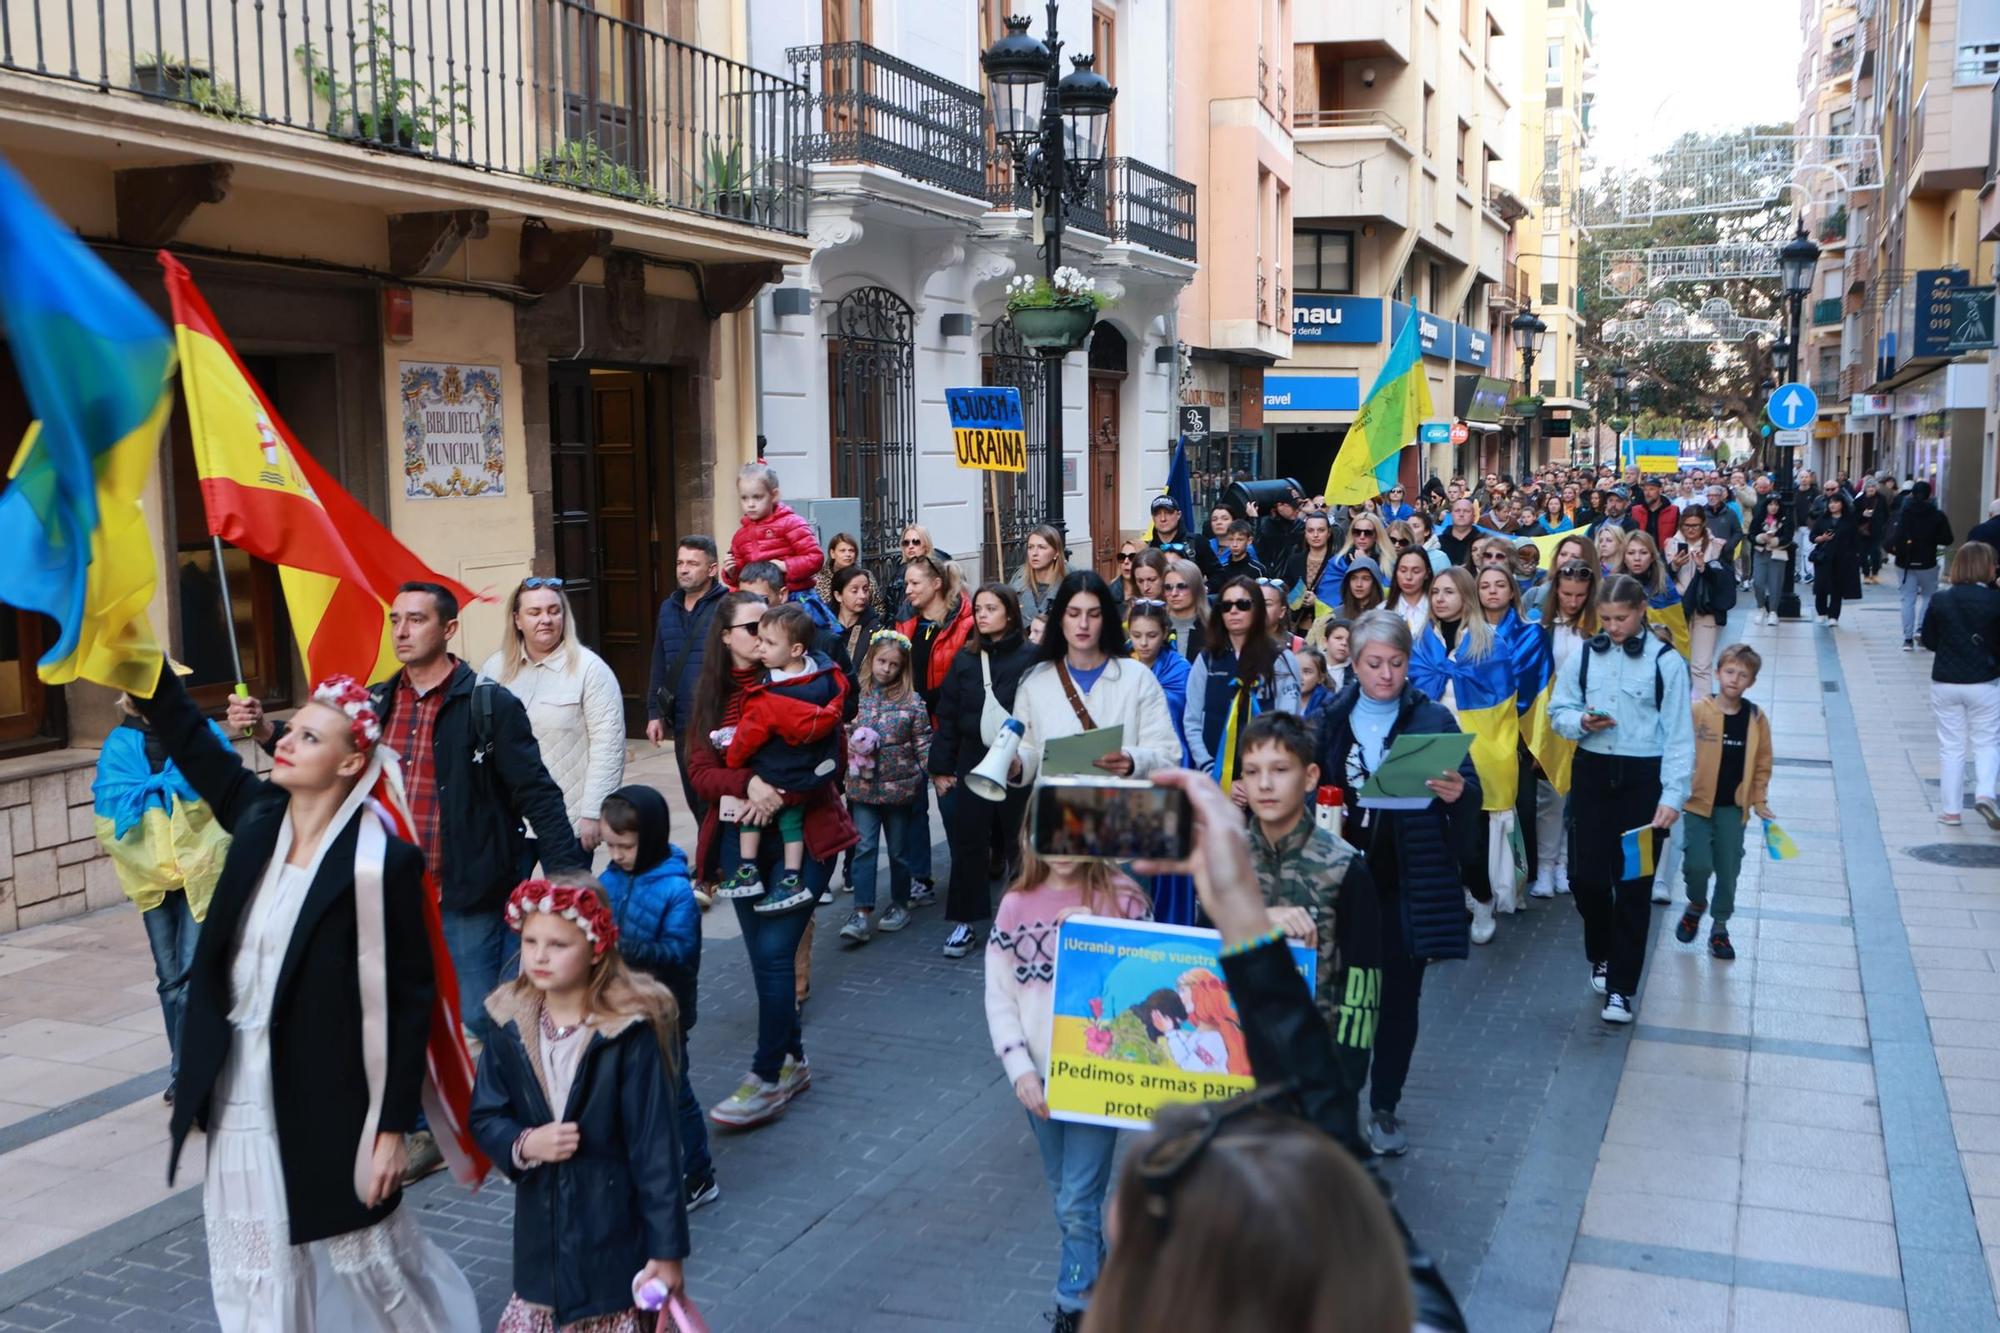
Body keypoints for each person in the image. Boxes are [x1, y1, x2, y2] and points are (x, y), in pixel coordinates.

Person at [139, 660, 481, 1331]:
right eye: (290, 730)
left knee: (367, 1266)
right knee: (255, 1259)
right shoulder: (261, 818)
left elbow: (407, 1003)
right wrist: (149, 675)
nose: (288, 740)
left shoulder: (380, 861)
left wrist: (390, 1129)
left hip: (326, 1099)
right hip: (237, 1087)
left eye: (311, 736)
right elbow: (194, 744)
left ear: (353, 763)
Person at [229, 584, 586, 1050]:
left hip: (465, 896)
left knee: (478, 1016)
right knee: (394, 1013)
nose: (401, 631)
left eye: (416, 620)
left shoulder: (488, 705)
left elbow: (538, 796)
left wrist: (570, 882)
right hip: (387, 892)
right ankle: (412, 1117)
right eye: (395, 620)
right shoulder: (374, 705)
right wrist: (262, 728)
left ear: (449, 628)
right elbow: (319, 759)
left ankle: (486, 1114)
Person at [471, 879, 690, 1332]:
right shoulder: (509, 1024)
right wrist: (526, 1143)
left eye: (557, 944)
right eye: (530, 941)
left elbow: (656, 1150)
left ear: (595, 948)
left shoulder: (627, 1035)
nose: (540, 955)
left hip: (613, 1254)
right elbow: (486, 1114)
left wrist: (666, 1253)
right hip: (541, 1262)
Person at [688, 592, 856, 1129]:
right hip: (741, 844)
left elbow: (834, 763)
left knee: (778, 952)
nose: (761, 634)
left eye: (768, 625)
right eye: (751, 626)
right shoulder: (712, 696)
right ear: (727, 636)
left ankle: (764, 1076)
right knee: (763, 958)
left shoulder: (810, 681)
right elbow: (700, 773)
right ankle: (794, 1063)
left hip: (804, 837)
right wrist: (749, 781)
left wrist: (783, 787)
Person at [1317, 611, 1477, 1157]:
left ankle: (1384, 1105)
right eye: (1374, 664)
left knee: (1399, 1000)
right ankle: (1340, 1102)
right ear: (1354, 663)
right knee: (1343, 998)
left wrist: (1459, 793)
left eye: (1397, 663)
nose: (1386, 675)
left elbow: (1469, 790)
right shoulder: (1330, 718)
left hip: (1406, 880)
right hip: (1340, 884)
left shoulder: (1433, 718)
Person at [983, 848, 1151, 1331]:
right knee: (1065, 1193)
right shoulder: (1015, 903)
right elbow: (999, 995)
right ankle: (1102, 1280)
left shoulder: (1122, 897)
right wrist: (1020, 1069)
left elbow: (1149, 976)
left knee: (1077, 1199)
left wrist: (1100, 930)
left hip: (1097, 1075)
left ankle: (1076, 1306)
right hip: (1038, 1077)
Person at [1550, 576, 1694, 1026]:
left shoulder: (1667, 663)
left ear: (1642, 611)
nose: (1612, 627)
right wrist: (1580, 722)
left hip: (1642, 778)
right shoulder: (1584, 655)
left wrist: (1673, 795)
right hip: (1592, 773)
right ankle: (1602, 953)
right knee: (1585, 879)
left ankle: (1622, 989)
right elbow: (1558, 710)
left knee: (1633, 886)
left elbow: (1679, 736)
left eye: (1622, 618)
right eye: (1606, 619)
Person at [1241, 713, 1382, 1141]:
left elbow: (1363, 985)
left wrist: (1347, 1077)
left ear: (1309, 777)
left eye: (1280, 770)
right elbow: (1198, 952)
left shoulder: (1344, 867)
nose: (1265, 784)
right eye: (1252, 772)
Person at [91, 680, 232, 1102]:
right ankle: (185, 1070)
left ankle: (190, 1078)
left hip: (200, 872)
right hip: (151, 878)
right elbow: (107, 813)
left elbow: (225, 797)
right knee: (169, 980)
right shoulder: (119, 745)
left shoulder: (200, 735)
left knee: (189, 978)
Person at [595, 786, 714, 1210]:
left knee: (673, 1091)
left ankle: (699, 1175)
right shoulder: (609, 878)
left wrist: (622, 946)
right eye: (609, 845)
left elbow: (681, 955)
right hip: (619, 1006)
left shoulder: (675, 891)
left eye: (624, 846)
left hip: (665, 1010)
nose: (616, 854)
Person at [712, 603, 848, 916]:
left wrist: (734, 761)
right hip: (810, 775)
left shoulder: (768, 694)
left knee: (749, 818)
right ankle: (791, 878)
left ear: (796, 648)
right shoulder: (827, 677)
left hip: (773, 772)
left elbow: (748, 736)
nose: (761, 646)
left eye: (769, 643)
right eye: (758, 638)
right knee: (792, 824)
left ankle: (747, 870)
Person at [929, 585, 1038, 957]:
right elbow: (948, 715)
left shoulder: (1032, 658)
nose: (983, 614)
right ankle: (965, 921)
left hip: (1019, 763)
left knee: (1019, 844)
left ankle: (1023, 922)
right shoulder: (965, 659)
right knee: (969, 841)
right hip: (974, 759)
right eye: (979, 608)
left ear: (1010, 612)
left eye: (992, 608)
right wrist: (941, 768)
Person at [482, 578, 625, 854]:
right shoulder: (494, 669)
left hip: (566, 821)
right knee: (504, 898)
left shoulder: (590, 670)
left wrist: (594, 812)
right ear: (517, 620)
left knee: (566, 897)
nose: (545, 619)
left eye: (554, 611)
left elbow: (609, 746)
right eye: (534, 613)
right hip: (510, 818)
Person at [1009, 572, 1183, 787]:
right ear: (1060, 619)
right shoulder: (1035, 682)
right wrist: (1016, 764)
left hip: (1119, 811)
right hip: (1056, 812)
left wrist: (1132, 761)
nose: (1083, 624)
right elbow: (1029, 750)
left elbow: (1167, 755)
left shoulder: (1138, 678)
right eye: (1073, 614)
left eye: (1093, 614)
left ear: (1106, 619)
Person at [1674, 646, 1773, 963]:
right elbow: (1678, 750)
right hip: (1697, 804)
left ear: (1751, 682)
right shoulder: (1699, 711)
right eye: (1730, 672)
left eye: (1743, 675)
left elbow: (1762, 762)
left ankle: (1719, 927)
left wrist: (1759, 799)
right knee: (1697, 864)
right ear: (1718, 673)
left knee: (1729, 870)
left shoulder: (1756, 718)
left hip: (1733, 807)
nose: (1735, 679)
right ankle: (1696, 902)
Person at [647, 537, 729, 904]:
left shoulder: (727, 607)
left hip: (717, 718)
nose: (683, 569)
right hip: (682, 719)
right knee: (695, 796)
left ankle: (710, 869)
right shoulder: (668, 608)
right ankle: (714, 863)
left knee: (715, 796)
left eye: (692, 563)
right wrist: (653, 712)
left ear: (712, 569)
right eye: (680, 562)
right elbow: (659, 661)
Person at [839, 630, 932, 943]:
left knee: (898, 850)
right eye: (881, 661)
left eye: (893, 664)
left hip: (900, 788)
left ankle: (900, 902)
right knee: (864, 847)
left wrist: (930, 771)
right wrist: (847, 748)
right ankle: (861, 911)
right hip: (862, 787)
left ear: (902, 667)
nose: (886, 669)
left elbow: (922, 742)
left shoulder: (912, 701)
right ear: (871, 660)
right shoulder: (857, 696)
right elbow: (843, 730)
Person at [898, 553, 976, 907]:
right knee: (914, 809)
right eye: (906, 583)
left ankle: (969, 878)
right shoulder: (908, 626)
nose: (908, 590)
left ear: (936, 584)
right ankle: (920, 879)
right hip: (913, 732)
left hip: (950, 733)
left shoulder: (965, 625)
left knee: (954, 810)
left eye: (914, 584)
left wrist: (927, 699)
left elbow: (964, 683)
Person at [1185, 574, 1303, 791]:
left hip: (1266, 784)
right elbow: (1192, 721)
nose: (1234, 611)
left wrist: (1256, 779)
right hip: (1214, 780)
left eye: (1243, 604)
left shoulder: (1282, 660)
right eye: (1226, 605)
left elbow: (1289, 725)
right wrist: (1214, 772)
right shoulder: (1206, 660)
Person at [1524, 559, 1597, 900]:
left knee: (1579, 799)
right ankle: (1545, 867)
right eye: (1566, 594)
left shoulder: (1598, 628)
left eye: (1579, 595)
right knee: (1551, 799)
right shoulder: (1543, 628)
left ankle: (1567, 863)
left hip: (1591, 722)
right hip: (1553, 720)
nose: (1572, 601)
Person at [1127, 599, 1197, 926]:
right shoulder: (1122, 664)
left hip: (1168, 774)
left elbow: (1175, 714)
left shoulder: (1180, 669)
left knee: (1167, 863)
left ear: (1165, 633)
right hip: (1131, 775)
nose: (1143, 643)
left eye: (1151, 635)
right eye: (1137, 635)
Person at [1920, 541, 2000, 829]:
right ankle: (1985, 793)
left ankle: (1951, 811)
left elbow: (1928, 639)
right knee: (1987, 741)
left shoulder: (1941, 600)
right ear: (1987, 567)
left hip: (1945, 681)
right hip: (1984, 681)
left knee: (1951, 746)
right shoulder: (1995, 601)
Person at [723, 461, 822, 592]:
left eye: (757, 497)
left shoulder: (791, 523)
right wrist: (731, 571)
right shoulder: (740, 536)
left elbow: (815, 557)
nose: (750, 504)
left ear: (774, 495)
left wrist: (785, 566)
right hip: (758, 599)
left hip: (794, 596)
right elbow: (742, 578)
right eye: (744, 498)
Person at [1663, 509, 1726, 696]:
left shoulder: (1716, 546)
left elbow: (1722, 581)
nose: (1691, 530)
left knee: (1701, 666)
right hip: (1678, 609)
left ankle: (1703, 713)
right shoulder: (1670, 544)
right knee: (1676, 663)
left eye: (1695, 526)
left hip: (1705, 609)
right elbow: (1663, 580)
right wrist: (1674, 566)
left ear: (1703, 525)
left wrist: (1703, 568)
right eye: (1686, 525)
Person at [1889, 479, 1954, 650]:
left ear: (1911, 494)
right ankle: (1921, 630)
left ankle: (1907, 639)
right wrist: (1931, 539)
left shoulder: (1903, 513)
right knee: (1928, 596)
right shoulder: (1937, 515)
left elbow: (1892, 537)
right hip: (1928, 562)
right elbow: (1948, 539)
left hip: (1905, 562)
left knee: (1907, 599)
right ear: (1930, 494)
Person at [1279, 510, 1341, 635]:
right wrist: (1297, 597)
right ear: (1305, 534)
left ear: (1328, 533)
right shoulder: (1294, 560)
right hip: (1297, 626)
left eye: (1321, 530)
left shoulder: (1337, 562)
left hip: (1326, 627)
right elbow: (1285, 589)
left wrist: (1317, 602)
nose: (1316, 535)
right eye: (1311, 530)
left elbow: (1340, 597)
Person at [1809, 490, 1862, 627]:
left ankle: (1834, 616)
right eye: (1830, 502)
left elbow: (1855, 540)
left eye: (1836, 502)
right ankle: (1821, 612)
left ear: (1842, 504)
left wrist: (1856, 557)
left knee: (1836, 588)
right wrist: (1821, 538)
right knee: (1821, 586)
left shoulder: (1849, 521)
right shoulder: (1823, 519)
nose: (1832, 505)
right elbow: (1812, 536)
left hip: (1842, 558)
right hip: (1824, 557)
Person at [1749, 494, 1793, 625]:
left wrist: (1776, 540)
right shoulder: (1758, 518)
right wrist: (1759, 538)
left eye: (1776, 504)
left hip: (1777, 553)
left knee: (1775, 584)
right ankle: (1761, 607)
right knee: (1758, 582)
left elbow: (1788, 537)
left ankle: (1773, 611)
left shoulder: (1786, 519)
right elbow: (1750, 535)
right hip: (1760, 553)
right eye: (1770, 504)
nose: (1773, 507)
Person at [1011, 523, 1069, 623]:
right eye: (1030, 547)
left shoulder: (1067, 588)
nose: (1034, 553)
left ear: (1056, 553)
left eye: (1042, 547)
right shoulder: (1017, 584)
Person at [1162, 558, 1210, 661]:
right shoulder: (1156, 626)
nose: (1174, 593)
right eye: (1168, 587)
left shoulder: (1213, 628)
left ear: (1196, 588)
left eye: (1182, 586)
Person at [1388, 548, 1433, 633]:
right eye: (1403, 570)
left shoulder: (1438, 609)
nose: (1408, 577)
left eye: (1416, 571)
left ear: (1427, 573)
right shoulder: (1383, 611)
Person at [813, 530, 862, 604]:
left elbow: (878, 607)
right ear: (832, 553)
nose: (848, 554)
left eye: (851, 550)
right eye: (843, 550)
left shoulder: (864, 577)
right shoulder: (818, 581)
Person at [1336, 555, 1387, 623]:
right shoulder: (1337, 615)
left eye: (1366, 579)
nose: (1359, 584)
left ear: (1375, 582)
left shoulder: (1386, 614)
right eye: (1353, 578)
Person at [1631, 477, 1679, 547]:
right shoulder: (1635, 511)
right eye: (1645, 490)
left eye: (1651, 489)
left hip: (1665, 554)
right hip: (1642, 553)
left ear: (1660, 490)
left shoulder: (1673, 511)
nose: (1647, 493)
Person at [1438, 497, 1480, 566]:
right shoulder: (1438, 542)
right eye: (1457, 511)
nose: (1461, 514)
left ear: (1474, 516)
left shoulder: (1483, 542)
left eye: (1466, 511)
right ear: (1451, 514)